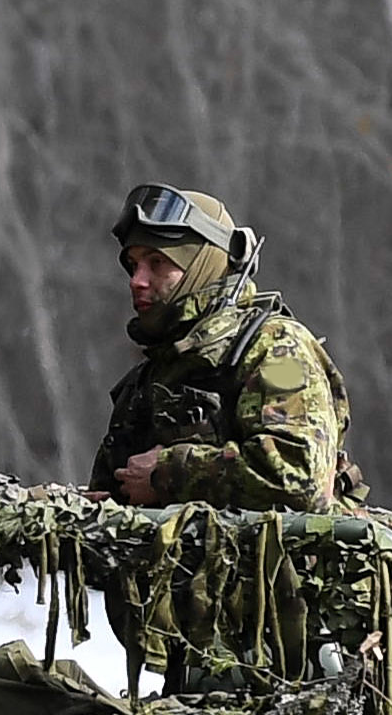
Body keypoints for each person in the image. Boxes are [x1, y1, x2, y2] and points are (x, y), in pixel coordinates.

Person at [89, 184, 359, 512]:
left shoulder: (276, 349)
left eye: (157, 262)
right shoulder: (150, 378)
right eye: (133, 265)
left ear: (204, 265)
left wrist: (168, 473)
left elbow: (299, 477)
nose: (137, 280)